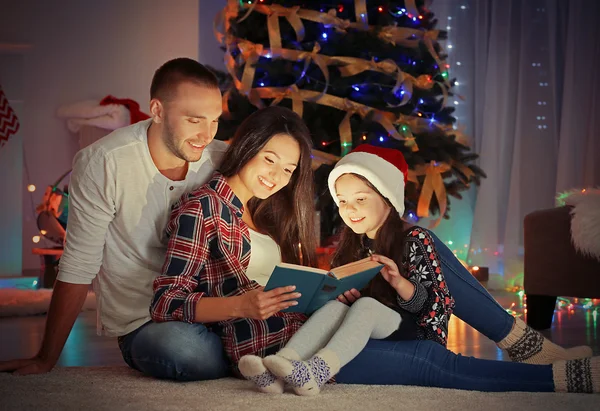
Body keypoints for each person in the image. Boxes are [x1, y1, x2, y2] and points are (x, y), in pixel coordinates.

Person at [0, 58, 297, 380]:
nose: (206, 134)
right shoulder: (104, 163)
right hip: (145, 320)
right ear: (156, 111)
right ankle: (252, 357)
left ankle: (251, 353)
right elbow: (78, 265)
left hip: (215, 312)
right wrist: (46, 358)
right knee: (185, 352)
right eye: (194, 120)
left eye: (213, 121)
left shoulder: (218, 157)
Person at [238, 144, 599, 395]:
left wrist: (400, 285)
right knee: (342, 306)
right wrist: (341, 294)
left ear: (388, 200)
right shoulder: (349, 247)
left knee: (385, 323)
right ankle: (282, 366)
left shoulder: (415, 241)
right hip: (360, 340)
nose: (351, 210)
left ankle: (555, 368)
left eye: (361, 200)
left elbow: (436, 308)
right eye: (343, 203)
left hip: (410, 333)